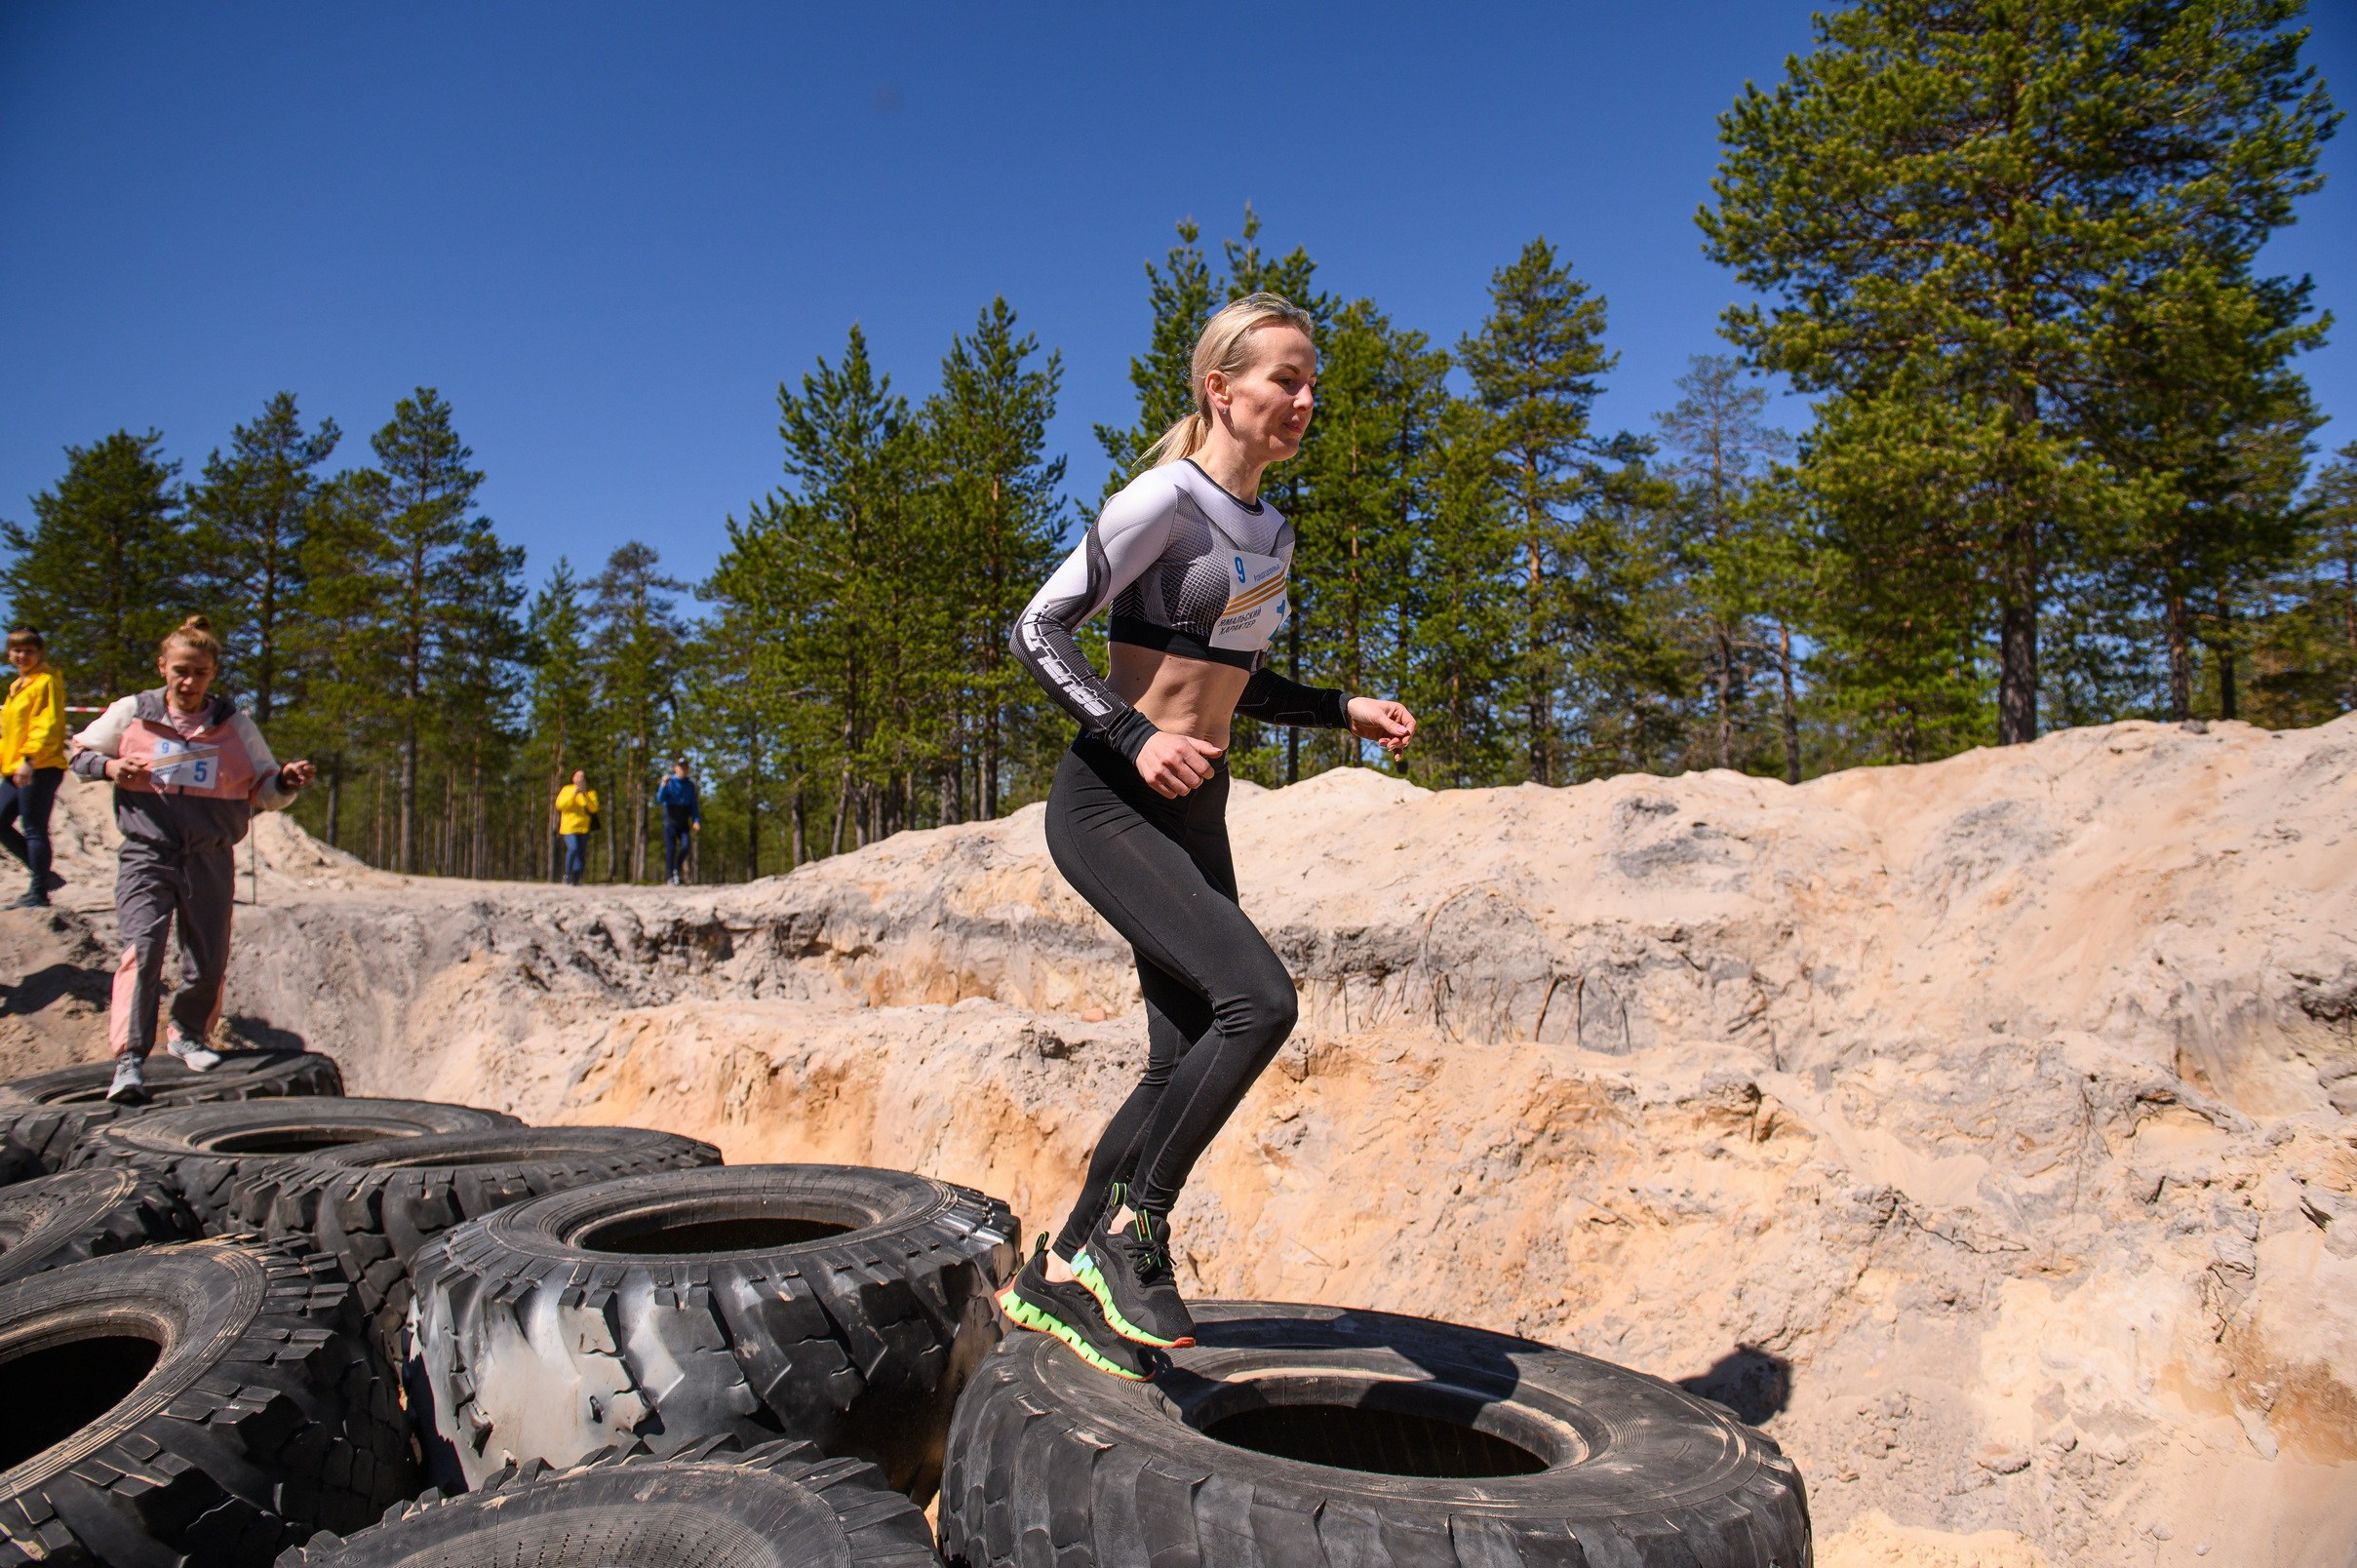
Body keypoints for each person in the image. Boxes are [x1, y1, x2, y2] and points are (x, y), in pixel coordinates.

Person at [996, 293, 1416, 1379]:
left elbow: (1229, 676)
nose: (1305, 399)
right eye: (1285, 379)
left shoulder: (1269, 531)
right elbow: (1035, 628)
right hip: (1107, 799)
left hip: (1196, 806)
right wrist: (1129, 735)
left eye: (1312, 382)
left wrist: (1340, 711)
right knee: (1259, 1001)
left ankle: (1058, 1271)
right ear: (1218, 389)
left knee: (1178, 1056)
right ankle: (1134, 1230)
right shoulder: (1162, 501)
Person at [69, 615, 315, 1103]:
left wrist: (286, 781)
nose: (188, 681)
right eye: (180, 670)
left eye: (199, 672)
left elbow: (263, 789)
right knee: (142, 951)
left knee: (207, 958)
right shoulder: (132, 712)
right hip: (147, 852)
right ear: (162, 667)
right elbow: (78, 754)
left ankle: (187, 1034)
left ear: (212, 674)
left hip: (210, 856)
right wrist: (113, 766)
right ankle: (129, 1061)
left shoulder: (232, 724)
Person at [0, 628, 69, 909]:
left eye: (29, 651)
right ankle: (44, 875)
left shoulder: (45, 682)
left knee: (34, 828)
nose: (22, 655)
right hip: (15, 767)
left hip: (39, 766)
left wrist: (29, 759)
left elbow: (48, 724)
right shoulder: (18, 685)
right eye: (17, 650)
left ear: (39, 653)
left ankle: (39, 892)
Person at [656, 758, 701, 885]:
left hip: (683, 821)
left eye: (685, 767)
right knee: (670, 849)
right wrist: (663, 785)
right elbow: (660, 798)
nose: (683, 769)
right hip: (670, 820)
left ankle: (676, 868)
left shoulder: (689, 785)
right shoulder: (669, 783)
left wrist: (696, 820)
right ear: (676, 768)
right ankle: (670, 876)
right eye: (681, 767)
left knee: (686, 847)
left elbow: (693, 805)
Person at [555, 770, 597, 886]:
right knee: (573, 848)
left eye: (582, 777)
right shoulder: (566, 790)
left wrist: (584, 795)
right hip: (569, 827)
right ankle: (568, 874)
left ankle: (576, 877)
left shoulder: (590, 792)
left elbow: (593, 809)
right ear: (573, 778)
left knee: (581, 853)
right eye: (577, 777)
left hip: (583, 827)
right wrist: (574, 794)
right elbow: (560, 805)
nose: (580, 779)